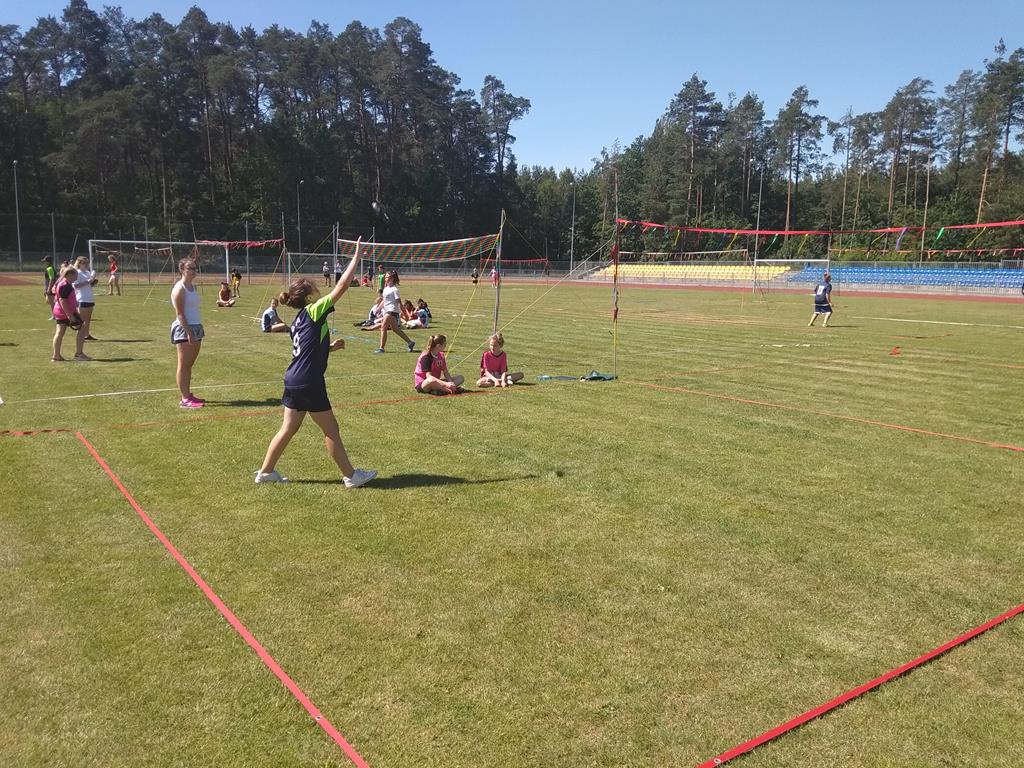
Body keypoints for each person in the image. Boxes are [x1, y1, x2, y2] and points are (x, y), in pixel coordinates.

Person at [255, 241, 377, 488]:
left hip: (294, 377)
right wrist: (356, 257)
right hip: (309, 381)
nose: (319, 288)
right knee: (331, 429)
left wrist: (329, 348)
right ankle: (351, 476)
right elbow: (342, 286)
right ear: (309, 295)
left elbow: (305, 350)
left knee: (288, 428)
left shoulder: (298, 319)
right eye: (315, 287)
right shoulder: (314, 309)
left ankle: (266, 472)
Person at [171, 258, 205, 408]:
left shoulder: (192, 287)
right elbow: (180, 314)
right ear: (182, 270)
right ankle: (185, 399)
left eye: (194, 268)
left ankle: (187, 393)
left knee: (189, 365)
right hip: (184, 328)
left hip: (196, 326)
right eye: (189, 268)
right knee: (183, 365)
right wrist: (189, 333)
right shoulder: (179, 289)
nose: (193, 271)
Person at [373, 270, 416, 354]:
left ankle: (381, 348)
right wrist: (378, 309)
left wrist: (406, 315)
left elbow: (400, 303)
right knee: (395, 329)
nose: (385, 279)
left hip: (392, 311)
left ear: (392, 278)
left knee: (383, 327)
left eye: (387, 277)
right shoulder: (386, 289)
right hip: (387, 311)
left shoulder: (395, 290)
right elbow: (384, 301)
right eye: (385, 277)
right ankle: (410, 342)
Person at [51, 266, 84, 362]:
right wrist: (70, 316)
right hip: (65, 312)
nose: (77, 277)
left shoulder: (63, 283)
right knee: (81, 329)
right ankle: (79, 354)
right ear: (70, 275)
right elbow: (63, 301)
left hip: (62, 311)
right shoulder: (65, 285)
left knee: (60, 332)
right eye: (76, 275)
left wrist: (75, 312)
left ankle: (56, 355)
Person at [72, 255, 99, 345]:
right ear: (79, 264)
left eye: (87, 263)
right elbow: (76, 286)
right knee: (81, 320)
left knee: (88, 319)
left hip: (89, 298)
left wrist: (93, 281)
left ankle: (86, 334)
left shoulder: (87, 272)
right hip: (82, 298)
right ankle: (80, 337)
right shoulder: (77, 273)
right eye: (84, 263)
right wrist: (88, 281)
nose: (87, 264)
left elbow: (89, 285)